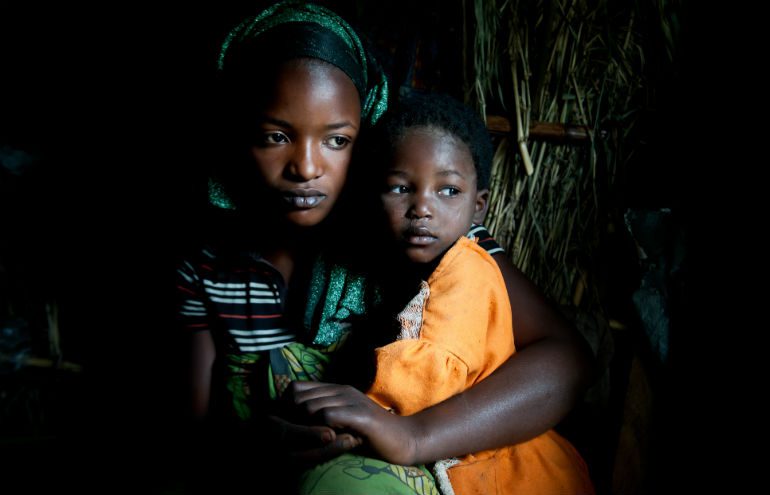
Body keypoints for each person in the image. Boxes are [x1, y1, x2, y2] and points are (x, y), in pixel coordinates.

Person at [175, 0, 594, 491]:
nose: (306, 167)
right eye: (274, 136)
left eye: (336, 140)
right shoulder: (209, 266)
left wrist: (414, 435)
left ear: (366, 133)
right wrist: (260, 442)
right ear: (237, 134)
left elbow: (568, 362)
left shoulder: (418, 235)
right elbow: (197, 431)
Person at [292, 93, 595, 494]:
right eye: (400, 188)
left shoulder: (471, 256)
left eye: (449, 191)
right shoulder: (360, 254)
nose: (422, 208)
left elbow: (571, 361)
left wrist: (415, 435)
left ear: (478, 206)